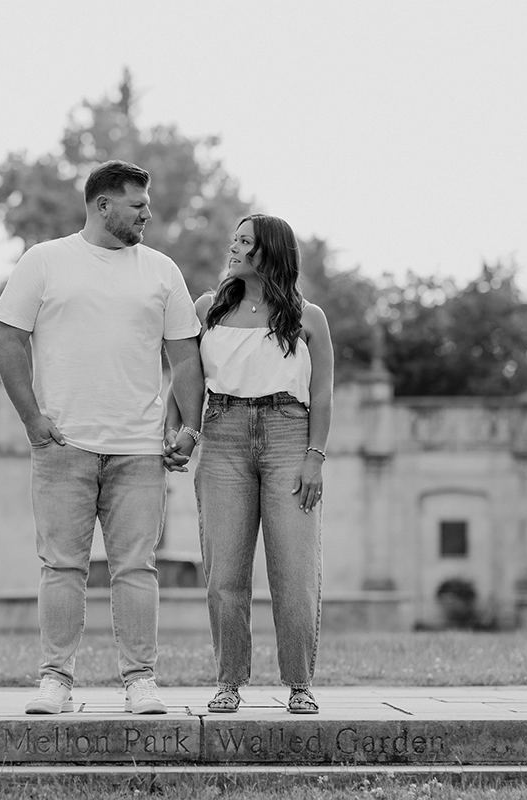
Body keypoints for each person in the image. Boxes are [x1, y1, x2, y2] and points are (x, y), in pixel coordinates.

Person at [0, 160, 206, 715]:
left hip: (140, 450)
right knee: (63, 566)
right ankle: (55, 681)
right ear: (103, 205)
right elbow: (7, 342)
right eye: (138, 205)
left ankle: (140, 681)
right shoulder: (44, 261)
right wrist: (33, 421)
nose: (147, 214)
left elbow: (186, 358)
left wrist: (189, 427)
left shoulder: (161, 271)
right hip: (64, 446)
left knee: (136, 567)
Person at [165, 213, 333, 715]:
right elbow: (184, 375)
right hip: (223, 435)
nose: (233, 248)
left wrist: (315, 457)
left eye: (244, 241)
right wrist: (180, 430)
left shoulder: (308, 318)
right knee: (224, 573)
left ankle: (299, 683)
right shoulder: (207, 309)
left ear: (270, 252)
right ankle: (229, 681)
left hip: (289, 435)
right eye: (234, 239)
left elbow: (323, 394)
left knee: (295, 571)